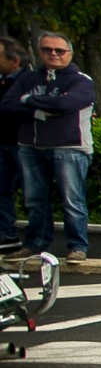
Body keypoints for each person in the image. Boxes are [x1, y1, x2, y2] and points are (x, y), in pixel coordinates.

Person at [1, 31, 95, 262]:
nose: (53, 54)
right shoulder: (29, 78)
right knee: (34, 199)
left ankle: (77, 246)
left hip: (70, 147)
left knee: (72, 200)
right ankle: (35, 243)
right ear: (39, 51)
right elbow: (8, 104)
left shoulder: (81, 80)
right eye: (47, 49)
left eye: (59, 50)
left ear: (69, 53)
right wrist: (43, 110)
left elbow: (68, 104)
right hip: (30, 146)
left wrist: (29, 101)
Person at [0, 36, 25, 240]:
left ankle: (38, 239)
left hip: (23, 144)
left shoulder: (28, 82)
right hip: (3, 143)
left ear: (14, 60)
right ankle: (6, 233)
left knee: (32, 194)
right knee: (1, 190)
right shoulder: (3, 80)